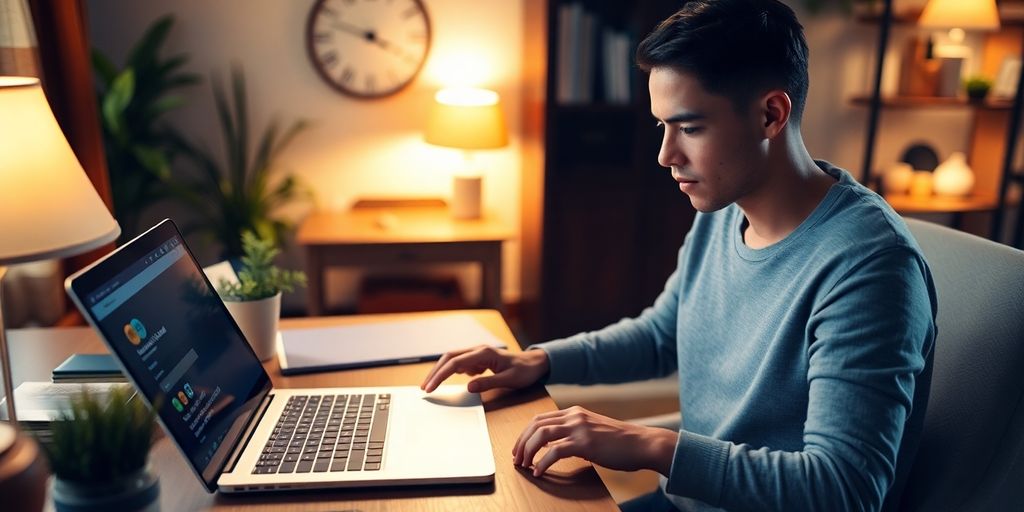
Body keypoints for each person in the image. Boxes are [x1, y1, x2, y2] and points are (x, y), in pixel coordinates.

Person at [421, 1, 937, 510]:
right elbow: (663, 334)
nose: (666, 156)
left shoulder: (869, 267)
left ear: (770, 114)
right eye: (661, 126)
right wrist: (539, 360)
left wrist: (649, 444)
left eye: (690, 128)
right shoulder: (723, 207)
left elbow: (843, 491)